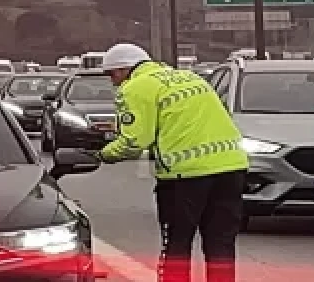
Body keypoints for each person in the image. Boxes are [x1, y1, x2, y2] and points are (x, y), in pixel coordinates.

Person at [84, 43, 248, 282]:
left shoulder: (135, 88)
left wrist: (103, 154)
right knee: (220, 245)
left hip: (184, 176)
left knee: (177, 245)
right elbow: (181, 119)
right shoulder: (189, 77)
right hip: (231, 168)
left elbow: (134, 141)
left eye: (112, 74)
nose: (113, 82)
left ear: (123, 69)